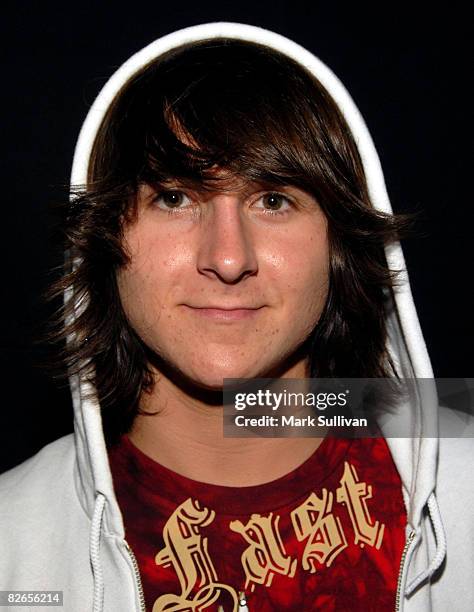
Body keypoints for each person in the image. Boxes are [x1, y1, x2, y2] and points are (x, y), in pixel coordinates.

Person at [0, 22, 472, 612]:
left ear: (340, 244)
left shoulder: (465, 475)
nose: (227, 258)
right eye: (174, 197)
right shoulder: (10, 544)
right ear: (101, 238)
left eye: (273, 200)